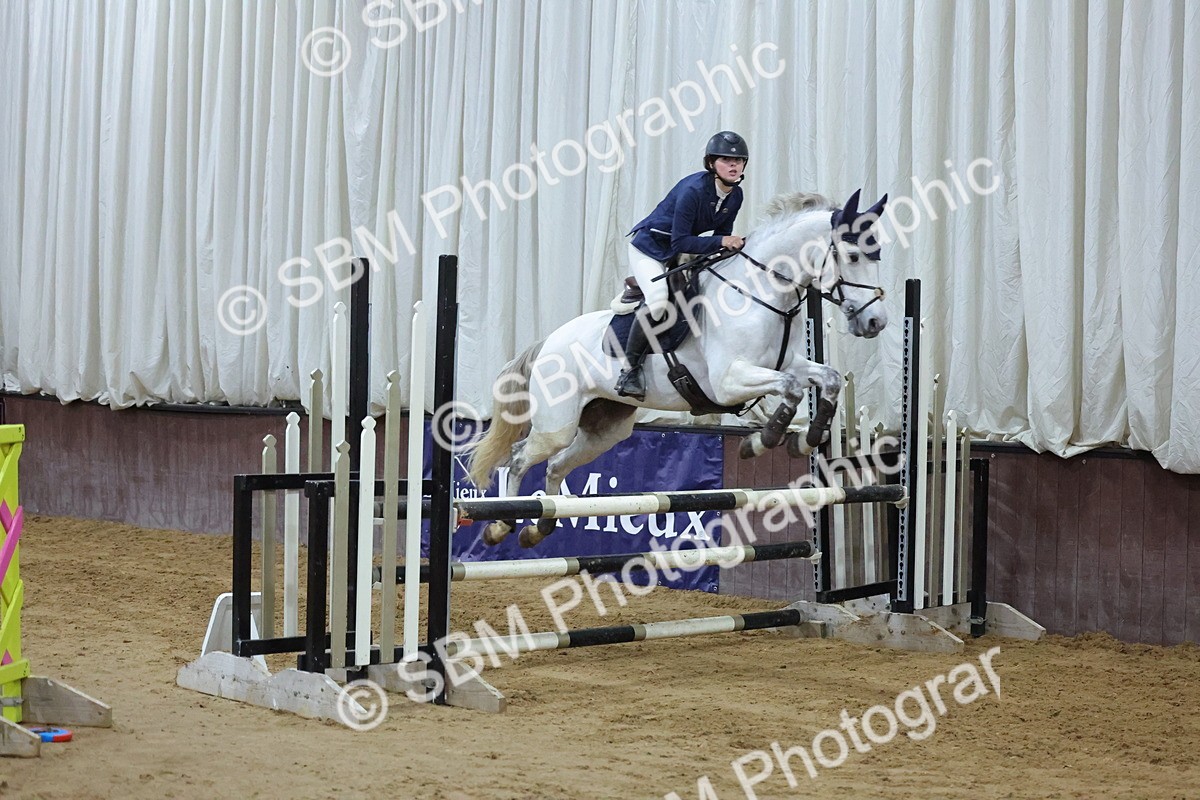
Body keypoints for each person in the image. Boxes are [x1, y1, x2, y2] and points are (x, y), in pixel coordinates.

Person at [614, 130, 749, 400]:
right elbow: (680, 243)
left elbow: (717, 238)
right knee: (659, 300)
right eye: (725, 160)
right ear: (711, 164)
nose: (733, 165)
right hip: (650, 248)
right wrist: (723, 240)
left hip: (683, 249)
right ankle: (629, 371)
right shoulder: (693, 190)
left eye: (738, 160)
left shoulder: (735, 196)